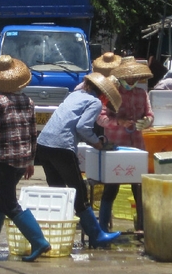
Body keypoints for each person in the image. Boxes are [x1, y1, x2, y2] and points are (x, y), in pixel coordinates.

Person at [0, 55, 51, 261]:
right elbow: (33, 133)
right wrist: (30, 161)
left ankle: (39, 241)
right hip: (22, 159)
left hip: (6, 161)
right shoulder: (28, 100)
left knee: (9, 204)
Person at [35, 72, 122, 247]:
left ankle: (55, 235)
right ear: (104, 95)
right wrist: (97, 143)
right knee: (79, 192)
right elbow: (82, 127)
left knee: (58, 191)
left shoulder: (75, 94)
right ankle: (97, 236)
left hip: (43, 144)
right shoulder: (95, 102)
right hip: (62, 146)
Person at [97, 57, 154, 236]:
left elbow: (150, 115)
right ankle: (103, 227)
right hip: (115, 148)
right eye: (128, 80)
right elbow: (101, 118)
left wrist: (147, 122)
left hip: (137, 147)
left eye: (133, 80)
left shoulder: (142, 94)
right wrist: (119, 122)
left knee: (139, 188)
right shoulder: (111, 94)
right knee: (111, 188)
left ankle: (142, 227)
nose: (131, 83)